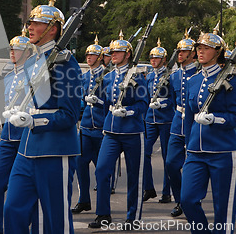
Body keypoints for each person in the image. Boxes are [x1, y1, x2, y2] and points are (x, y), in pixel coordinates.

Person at [4, 0, 82, 234]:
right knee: (12, 209)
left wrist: (34, 120)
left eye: (35, 23)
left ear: (52, 29)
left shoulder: (66, 64)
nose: (29, 27)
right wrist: (18, 110)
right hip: (27, 149)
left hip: (55, 150)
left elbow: (70, 114)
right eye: (30, 23)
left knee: (55, 219)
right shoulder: (32, 61)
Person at [180, 30, 236, 234]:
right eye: (199, 48)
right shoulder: (193, 80)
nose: (200, 51)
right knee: (187, 200)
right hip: (196, 151)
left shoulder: (231, 80)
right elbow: (189, 117)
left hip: (223, 151)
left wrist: (215, 119)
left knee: (222, 209)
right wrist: (187, 144)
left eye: (206, 48)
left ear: (218, 52)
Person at [88, 33, 148, 229]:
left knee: (133, 175)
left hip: (132, 131)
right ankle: (103, 214)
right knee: (102, 170)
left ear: (128, 54)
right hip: (111, 131)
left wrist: (129, 111)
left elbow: (143, 103)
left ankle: (133, 217)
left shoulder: (138, 76)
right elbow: (106, 104)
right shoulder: (109, 77)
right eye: (112, 51)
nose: (113, 54)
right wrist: (107, 123)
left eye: (118, 52)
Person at [0, 30, 35, 234]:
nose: (13, 52)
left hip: (25, 135)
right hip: (7, 135)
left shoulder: (33, 73)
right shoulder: (8, 74)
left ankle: (25, 224)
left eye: (18, 49)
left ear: (27, 52)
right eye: (11, 49)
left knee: (21, 187)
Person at [71, 36, 105, 214]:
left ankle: (102, 205)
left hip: (101, 127)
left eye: (92, 55)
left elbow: (112, 101)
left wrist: (99, 101)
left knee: (101, 168)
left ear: (100, 57)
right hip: (85, 127)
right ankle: (83, 199)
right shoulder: (84, 77)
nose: (89, 58)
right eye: (87, 55)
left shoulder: (106, 76)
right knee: (80, 163)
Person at [165, 31, 197, 218]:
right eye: (179, 51)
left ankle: (192, 199)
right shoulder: (175, 76)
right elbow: (172, 99)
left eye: (184, 51)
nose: (180, 54)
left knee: (194, 165)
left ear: (192, 54)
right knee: (170, 163)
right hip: (178, 122)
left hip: (194, 124)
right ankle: (179, 200)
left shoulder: (199, 75)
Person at [143, 39, 175, 203]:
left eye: (156, 58)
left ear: (164, 60)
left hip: (165, 120)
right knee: (144, 153)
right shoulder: (149, 76)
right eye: (151, 58)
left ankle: (166, 191)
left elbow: (174, 99)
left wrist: (163, 103)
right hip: (150, 119)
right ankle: (148, 188)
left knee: (166, 156)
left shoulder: (170, 76)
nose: (153, 61)